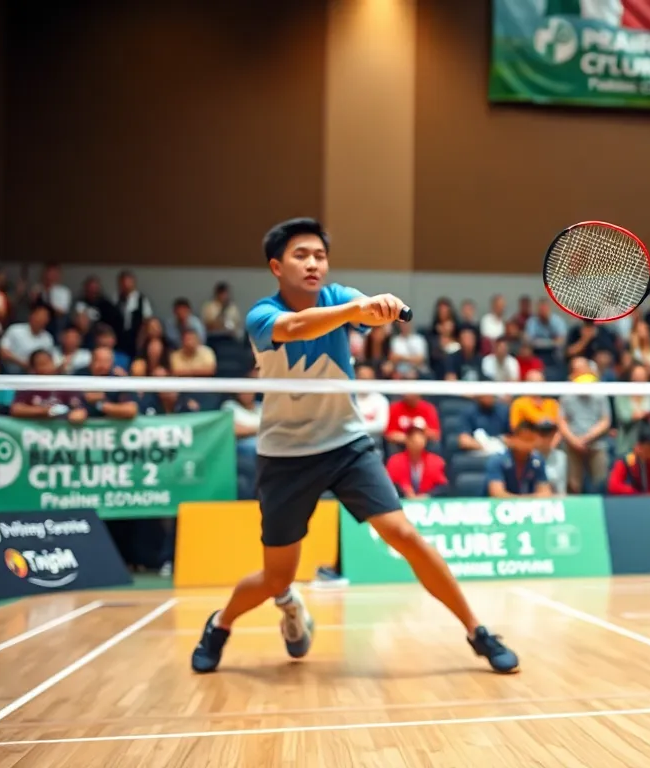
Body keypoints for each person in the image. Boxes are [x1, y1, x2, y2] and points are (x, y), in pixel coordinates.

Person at [190, 217, 518, 676]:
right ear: (276, 267)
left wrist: (376, 307)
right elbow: (300, 327)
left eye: (319, 256)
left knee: (404, 535)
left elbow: (360, 311)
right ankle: (221, 623)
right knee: (277, 577)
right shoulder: (261, 315)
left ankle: (477, 631)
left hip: (346, 445)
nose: (312, 264)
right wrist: (355, 311)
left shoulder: (340, 297)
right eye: (300, 255)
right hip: (285, 455)